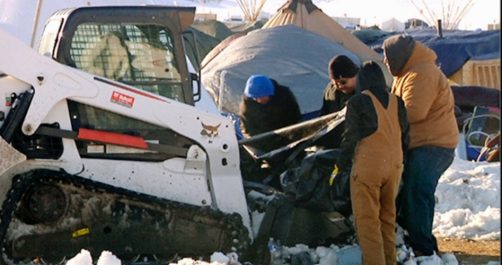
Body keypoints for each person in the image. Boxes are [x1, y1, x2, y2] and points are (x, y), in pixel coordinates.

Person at [383, 34, 459, 263]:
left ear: (398, 56)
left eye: (387, 57)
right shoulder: (410, 71)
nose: (386, 62)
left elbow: (413, 111)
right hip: (424, 143)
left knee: (416, 194)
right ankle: (419, 243)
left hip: (433, 145)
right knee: (413, 194)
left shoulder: (421, 73)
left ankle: (424, 250)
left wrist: (382, 116)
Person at [334, 61, 409, 265]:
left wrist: (339, 167)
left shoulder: (358, 102)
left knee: (368, 223)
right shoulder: (398, 101)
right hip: (394, 166)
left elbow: (349, 138)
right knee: (387, 219)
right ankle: (390, 261)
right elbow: (405, 137)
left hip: (369, 168)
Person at [238, 75, 301, 183]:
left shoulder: (284, 95)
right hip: (265, 142)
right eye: (255, 98)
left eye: (262, 97)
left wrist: (286, 137)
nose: (259, 100)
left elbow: (294, 117)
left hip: (287, 136)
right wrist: (264, 145)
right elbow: (248, 129)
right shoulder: (247, 105)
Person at [316, 55, 359, 149]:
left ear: (355, 76)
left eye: (343, 82)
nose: (339, 86)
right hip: (335, 147)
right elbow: (324, 118)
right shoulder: (330, 91)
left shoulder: (367, 93)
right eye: (335, 83)